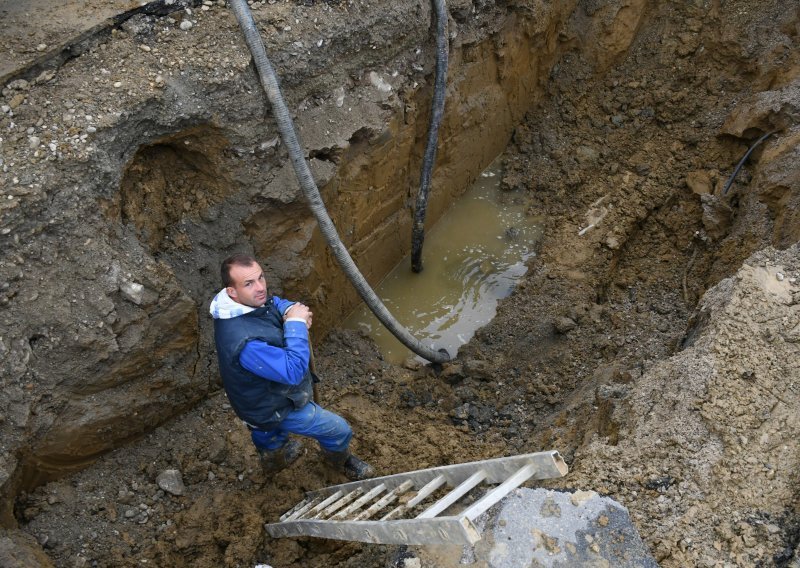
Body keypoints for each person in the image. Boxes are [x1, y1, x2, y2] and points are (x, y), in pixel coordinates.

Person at [210, 253, 374, 481]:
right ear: (232, 291)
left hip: (254, 400)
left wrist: (289, 311)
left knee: (268, 434)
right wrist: (296, 325)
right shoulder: (246, 344)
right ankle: (338, 460)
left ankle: (274, 458)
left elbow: (274, 303)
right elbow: (292, 371)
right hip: (274, 406)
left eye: (261, 278)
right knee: (339, 429)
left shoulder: (237, 304)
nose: (260, 288)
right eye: (249, 283)